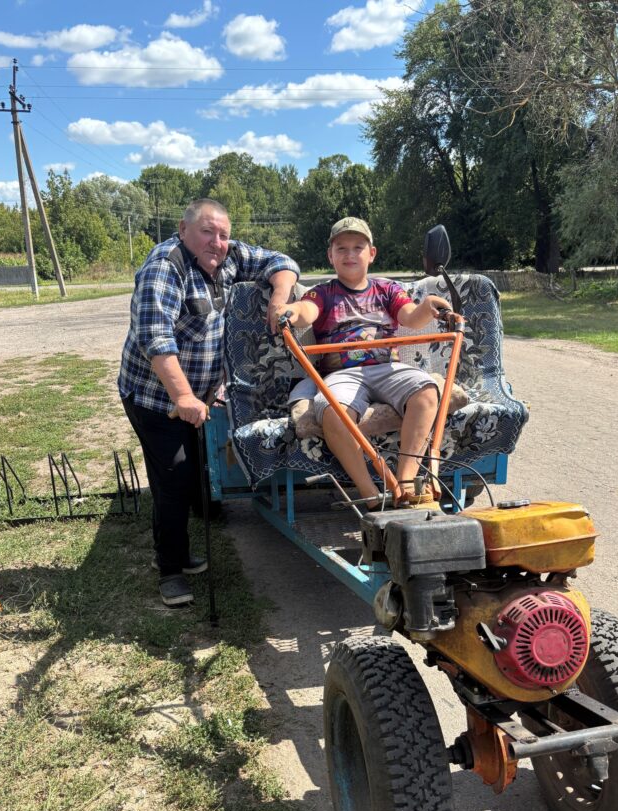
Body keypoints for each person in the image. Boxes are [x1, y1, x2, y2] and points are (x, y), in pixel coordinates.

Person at [119, 198, 299, 607]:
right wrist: (182, 396)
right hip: (152, 396)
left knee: (181, 475)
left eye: (223, 233)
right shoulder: (165, 268)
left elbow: (281, 260)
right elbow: (156, 339)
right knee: (174, 477)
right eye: (206, 232)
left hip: (196, 397)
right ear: (183, 231)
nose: (217, 242)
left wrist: (279, 296)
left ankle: (176, 552)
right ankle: (169, 570)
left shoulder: (228, 257)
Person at [282, 217, 452, 507]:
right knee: (333, 412)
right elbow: (305, 311)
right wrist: (290, 312)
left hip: (388, 368)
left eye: (358, 247)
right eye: (342, 248)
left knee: (426, 391)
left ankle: (407, 485)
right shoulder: (323, 293)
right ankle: (371, 495)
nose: (350, 255)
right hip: (342, 372)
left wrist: (428, 306)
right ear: (330, 256)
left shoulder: (387, 290)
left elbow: (411, 317)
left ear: (371, 254)